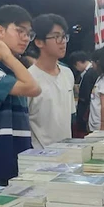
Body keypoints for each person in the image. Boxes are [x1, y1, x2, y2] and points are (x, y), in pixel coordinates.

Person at [0, 5, 41, 188]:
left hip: (21, 158)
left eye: (29, 33)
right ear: (0, 31)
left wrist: (11, 59)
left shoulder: (13, 69)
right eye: (20, 31)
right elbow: (33, 88)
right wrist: (9, 57)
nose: (26, 38)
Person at [26, 14, 76, 148]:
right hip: (40, 158)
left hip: (67, 156)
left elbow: (68, 118)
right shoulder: (28, 79)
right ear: (39, 42)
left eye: (64, 36)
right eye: (56, 37)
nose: (63, 41)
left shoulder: (67, 73)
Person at [70, 51, 96, 138]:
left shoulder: (89, 74)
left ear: (78, 63)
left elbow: (84, 97)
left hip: (86, 112)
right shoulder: (91, 71)